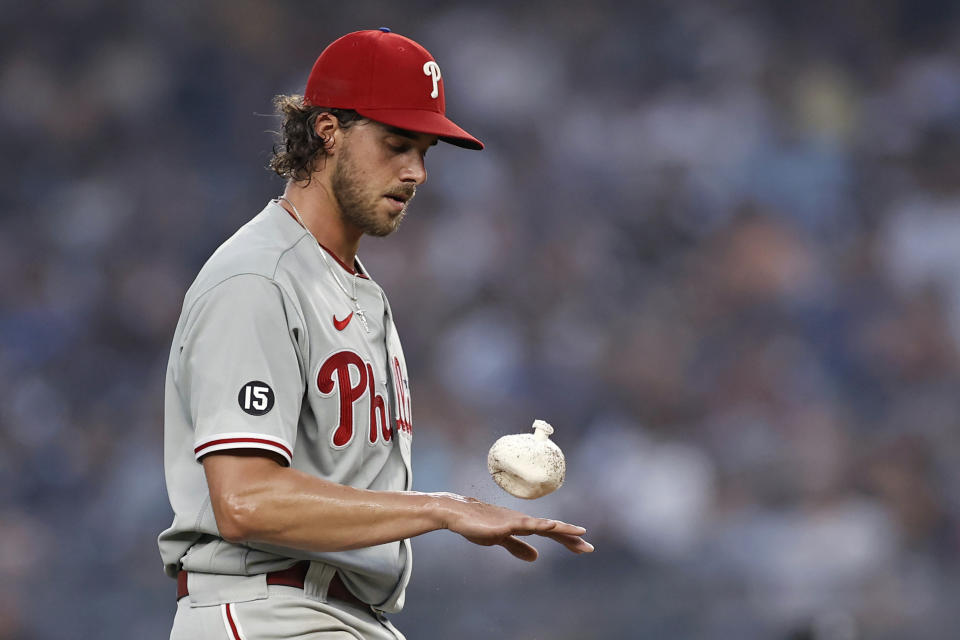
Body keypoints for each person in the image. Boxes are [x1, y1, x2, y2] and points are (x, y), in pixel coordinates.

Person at [159, 28, 592, 640]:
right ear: (327, 132)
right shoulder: (258, 278)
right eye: (396, 144)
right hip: (270, 610)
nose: (415, 171)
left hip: (344, 615)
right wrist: (441, 508)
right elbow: (244, 501)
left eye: (424, 151)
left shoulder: (352, 287)